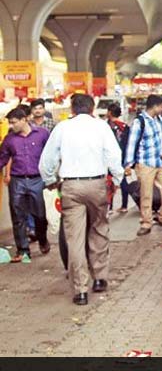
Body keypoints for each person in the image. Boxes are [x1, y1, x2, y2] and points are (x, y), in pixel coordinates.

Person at [39, 94, 124, 305]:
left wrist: (50, 181)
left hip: (71, 186)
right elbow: (114, 156)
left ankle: (80, 290)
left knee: (74, 239)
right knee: (99, 229)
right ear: (92, 108)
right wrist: (119, 178)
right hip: (96, 184)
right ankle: (100, 278)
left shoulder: (62, 128)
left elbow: (47, 160)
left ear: (72, 108)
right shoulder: (102, 127)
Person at [0, 108, 50, 262]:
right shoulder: (9, 139)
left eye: (14, 122)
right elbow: (2, 158)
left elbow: (51, 155)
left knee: (40, 215)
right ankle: (22, 250)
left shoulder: (42, 134)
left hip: (37, 179)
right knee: (18, 216)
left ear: (24, 120)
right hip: (17, 180)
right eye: (10, 122)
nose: (12, 125)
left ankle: (42, 239)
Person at [123, 95, 162, 236]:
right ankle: (146, 222)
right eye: (161, 106)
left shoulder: (157, 119)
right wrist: (128, 164)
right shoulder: (140, 122)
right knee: (146, 194)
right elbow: (131, 144)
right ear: (155, 106)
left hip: (160, 162)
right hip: (145, 163)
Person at [106, 103, 130, 213]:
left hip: (110, 156)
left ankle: (109, 206)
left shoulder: (107, 126)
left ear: (110, 113)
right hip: (123, 156)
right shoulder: (125, 127)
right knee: (123, 180)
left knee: (109, 180)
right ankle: (124, 205)